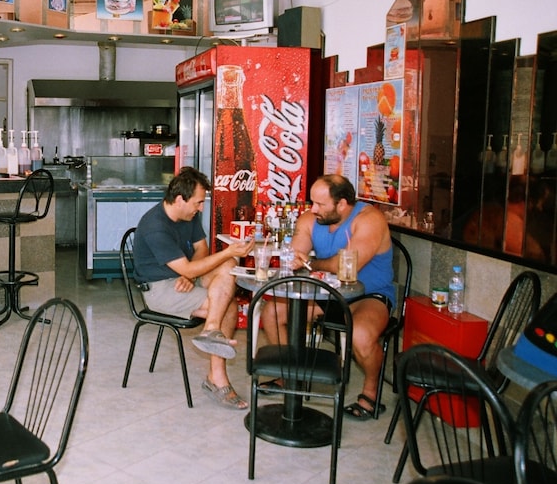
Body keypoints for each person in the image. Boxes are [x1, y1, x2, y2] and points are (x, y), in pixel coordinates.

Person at [261, 174, 395, 420]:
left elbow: (347, 265)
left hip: (368, 294)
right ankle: (289, 375)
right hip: (326, 293)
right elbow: (295, 254)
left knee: (361, 334)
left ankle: (370, 394)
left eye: (320, 204)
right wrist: (297, 258)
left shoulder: (370, 219)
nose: (313, 209)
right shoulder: (310, 219)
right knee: (271, 313)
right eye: (312, 202)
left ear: (342, 204)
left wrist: (311, 262)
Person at [133, 167, 255, 409]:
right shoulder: (155, 226)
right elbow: (189, 267)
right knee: (228, 307)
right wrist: (196, 267)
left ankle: (211, 329)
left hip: (183, 277)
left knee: (229, 265)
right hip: (159, 289)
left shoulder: (188, 216)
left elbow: (201, 249)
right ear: (180, 199)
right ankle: (217, 378)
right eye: (198, 203)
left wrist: (190, 273)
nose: (200, 208)